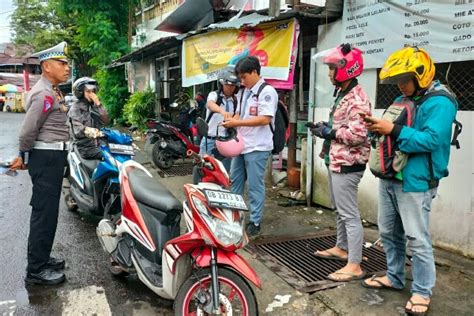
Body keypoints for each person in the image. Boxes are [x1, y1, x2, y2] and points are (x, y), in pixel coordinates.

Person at [362, 46, 458, 316]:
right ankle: (394, 276)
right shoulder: (411, 98)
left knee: (417, 237)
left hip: (416, 182)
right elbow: (397, 130)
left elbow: (431, 139)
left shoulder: (439, 102)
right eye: (397, 81)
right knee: (388, 232)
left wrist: (392, 129)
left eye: (405, 80)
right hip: (392, 177)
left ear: (421, 75)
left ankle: (422, 290)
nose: (401, 86)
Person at [9, 42, 71, 285]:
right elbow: (27, 131)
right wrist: (23, 157)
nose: (67, 68)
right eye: (61, 63)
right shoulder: (44, 94)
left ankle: (42, 258)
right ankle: (36, 269)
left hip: (53, 159)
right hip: (46, 160)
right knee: (43, 214)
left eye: (66, 63)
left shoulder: (53, 90)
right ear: (46, 67)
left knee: (50, 213)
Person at [310, 43, 371, 282]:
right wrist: (323, 130)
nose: (329, 73)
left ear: (345, 68)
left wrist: (330, 133)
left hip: (348, 163)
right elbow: (342, 128)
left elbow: (358, 135)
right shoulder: (344, 93)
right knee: (339, 209)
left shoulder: (357, 99)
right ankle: (341, 247)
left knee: (349, 214)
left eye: (332, 68)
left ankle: (354, 264)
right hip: (336, 160)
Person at [221, 56, 277, 237]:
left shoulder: (267, 92)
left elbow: (264, 119)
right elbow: (239, 113)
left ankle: (255, 221)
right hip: (242, 144)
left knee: (254, 185)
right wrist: (231, 120)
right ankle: (233, 217)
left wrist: (236, 124)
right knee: (235, 181)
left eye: (244, 77)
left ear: (254, 72)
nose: (242, 81)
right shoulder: (245, 92)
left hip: (258, 147)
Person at [200, 66, 240, 171]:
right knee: (204, 170)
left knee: (223, 172)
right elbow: (210, 104)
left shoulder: (236, 101)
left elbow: (237, 116)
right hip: (209, 140)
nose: (230, 88)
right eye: (227, 85)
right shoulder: (214, 95)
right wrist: (222, 111)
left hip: (226, 142)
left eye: (233, 86)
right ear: (222, 84)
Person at [68, 77, 109, 159]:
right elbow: (79, 131)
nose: (92, 94)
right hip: (85, 148)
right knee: (110, 155)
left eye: (93, 91)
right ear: (80, 92)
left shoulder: (94, 106)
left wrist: (98, 104)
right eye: (88, 91)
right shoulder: (75, 108)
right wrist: (97, 133)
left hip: (99, 144)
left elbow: (106, 121)